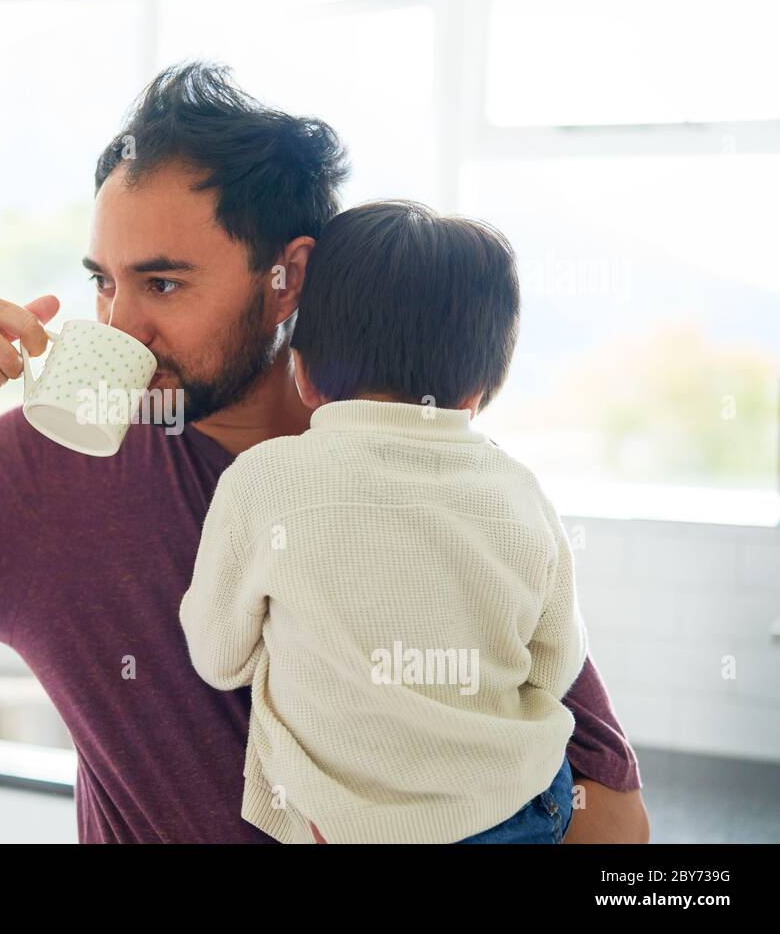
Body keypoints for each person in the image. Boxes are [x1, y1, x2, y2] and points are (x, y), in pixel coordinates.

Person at [0, 63, 647, 843]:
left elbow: (613, 818)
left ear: (292, 277)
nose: (121, 325)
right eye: (103, 283)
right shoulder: (47, 470)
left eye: (162, 281)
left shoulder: (425, 477)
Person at [180, 200, 585, 843]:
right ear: (479, 391)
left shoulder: (264, 480)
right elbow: (556, 661)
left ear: (303, 371)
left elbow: (218, 658)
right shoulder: (518, 490)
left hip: (342, 824)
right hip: (517, 806)